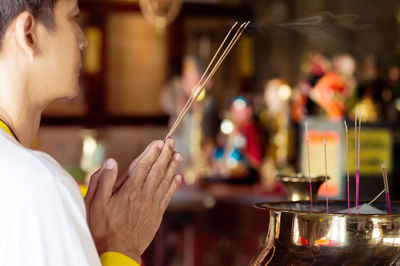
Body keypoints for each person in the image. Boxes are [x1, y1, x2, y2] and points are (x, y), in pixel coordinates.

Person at [0, 0, 183, 265]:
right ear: (28, 34)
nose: (83, 39)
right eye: (73, 18)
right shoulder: (41, 187)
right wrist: (121, 246)